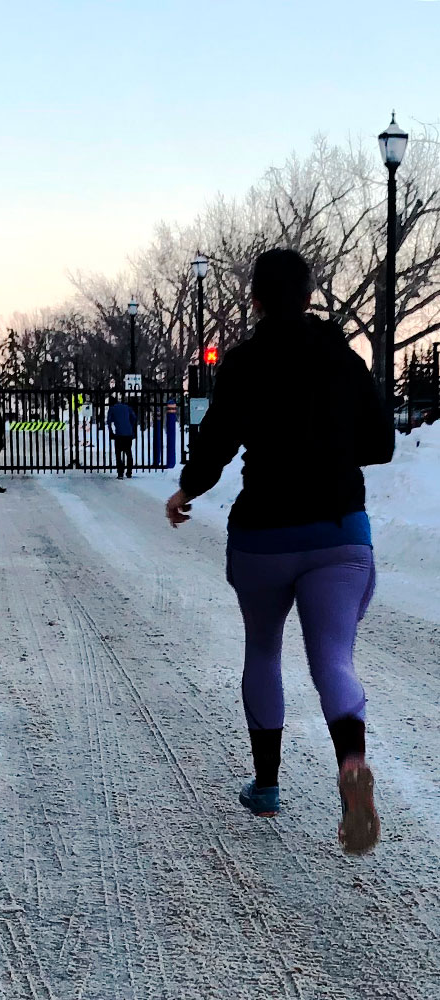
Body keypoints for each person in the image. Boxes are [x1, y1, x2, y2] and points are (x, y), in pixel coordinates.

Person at [165, 249, 394, 855]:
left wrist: (187, 490)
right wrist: (332, 448)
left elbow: (215, 441)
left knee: (263, 649)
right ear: (310, 293)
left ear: (258, 300)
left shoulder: (243, 362)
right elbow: (381, 443)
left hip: (264, 534)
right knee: (333, 660)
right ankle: (350, 763)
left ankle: (266, 785)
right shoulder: (345, 360)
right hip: (339, 533)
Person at [107, 395, 138, 479]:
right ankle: (129, 472)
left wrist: (111, 432)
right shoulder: (127, 407)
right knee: (128, 452)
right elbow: (134, 417)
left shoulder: (112, 409)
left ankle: (120, 473)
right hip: (128, 433)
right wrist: (130, 426)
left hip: (119, 434)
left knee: (118, 453)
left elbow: (109, 421)